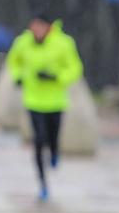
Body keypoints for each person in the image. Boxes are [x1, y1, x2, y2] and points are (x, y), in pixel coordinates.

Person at [6, 12, 83, 201]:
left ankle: (55, 153)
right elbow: (13, 61)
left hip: (56, 101)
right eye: (34, 26)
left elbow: (75, 68)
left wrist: (57, 77)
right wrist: (18, 77)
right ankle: (43, 184)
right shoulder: (22, 42)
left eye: (40, 26)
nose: (36, 30)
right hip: (33, 100)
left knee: (53, 137)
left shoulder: (64, 43)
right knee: (39, 140)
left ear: (49, 27)